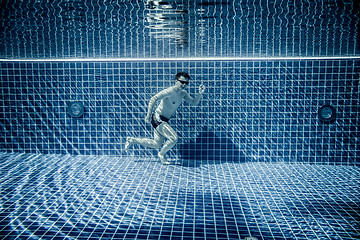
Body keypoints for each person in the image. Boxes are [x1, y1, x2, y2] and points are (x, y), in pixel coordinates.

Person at [125, 72, 206, 164]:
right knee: (173, 138)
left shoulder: (183, 93)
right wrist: (148, 115)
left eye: (186, 83)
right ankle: (161, 154)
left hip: (163, 120)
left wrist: (200, 93)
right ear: (176, 81)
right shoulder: (170, 91)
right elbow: (153, 99)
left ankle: (132, 140)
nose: (184, 85)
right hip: (158, 117)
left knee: (156, 144)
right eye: (182, 82)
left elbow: (194, 102)